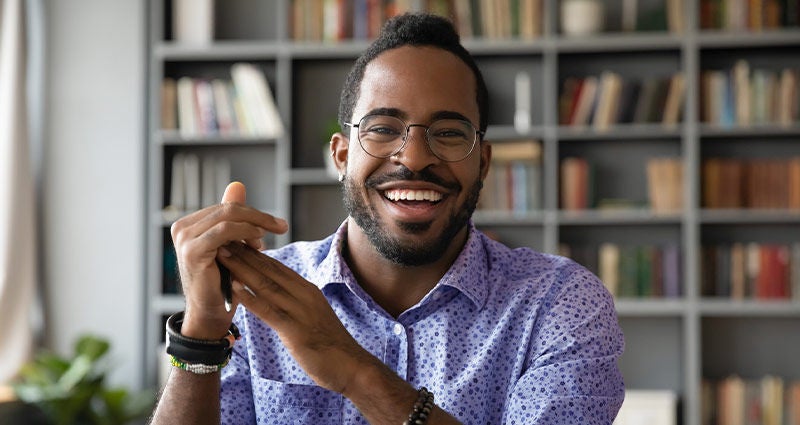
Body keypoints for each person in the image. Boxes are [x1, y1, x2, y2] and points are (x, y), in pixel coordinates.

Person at [150, 13, 624, 425]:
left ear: (483, 162)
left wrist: (353, 371)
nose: (414, 157)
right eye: (382, 128)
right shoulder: (259, 296)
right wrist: (200, 335)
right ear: (340, 155)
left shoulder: (559, 304)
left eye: (449, 132)